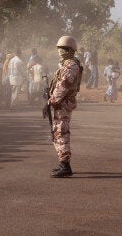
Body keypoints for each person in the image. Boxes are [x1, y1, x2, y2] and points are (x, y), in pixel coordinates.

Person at [47, 35, 82, 178]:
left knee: (61, 132)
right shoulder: (68, 64)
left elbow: (63, 86)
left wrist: (51, 101)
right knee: (59, 132)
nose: (59, 51)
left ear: (68, 50)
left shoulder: (71, 65)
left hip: (63, 103)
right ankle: (63, 162)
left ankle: (65, 165)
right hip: (62, 103)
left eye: (61, 49)